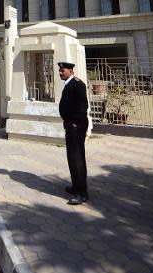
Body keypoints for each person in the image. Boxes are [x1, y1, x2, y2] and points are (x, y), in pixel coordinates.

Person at [58, 61, 89, 205]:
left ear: (70, 71)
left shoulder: (78, 84)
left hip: (76, 126)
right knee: (72, 157)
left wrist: (75, 122)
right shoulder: (69, 84)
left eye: (62, 70)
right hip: (71, 125)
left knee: (77, 159)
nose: (60, 73)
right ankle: (75, 186)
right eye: (60, 70)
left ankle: (82, 193)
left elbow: (83, 105)